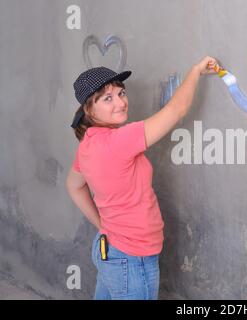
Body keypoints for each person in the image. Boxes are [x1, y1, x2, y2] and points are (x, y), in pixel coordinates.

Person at [65, 56, 219, 299]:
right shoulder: (119, 141)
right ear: (89, 110)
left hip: (109, 250)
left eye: (121, 93)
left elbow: (73, 185)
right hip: (131, 259)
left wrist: (102, 225)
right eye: (107, 98)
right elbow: (177, 109)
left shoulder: (88, 144)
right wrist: (196, 71)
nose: (121, 102)